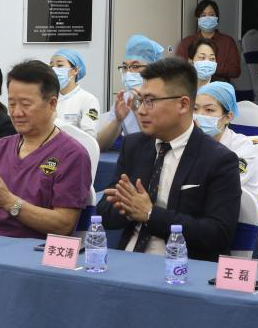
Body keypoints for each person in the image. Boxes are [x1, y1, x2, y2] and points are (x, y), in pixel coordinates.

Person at [96, 57, 240, 261]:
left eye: (150, 101)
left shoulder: (219, 159)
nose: (141, 110)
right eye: (140, 100)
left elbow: (218, 234)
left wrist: (150, 214)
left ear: (183, 104)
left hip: (182, 266)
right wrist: (128, 208)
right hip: (129, 259)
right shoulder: (134, 146)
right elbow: (104, 214)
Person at [0, 61, 91, 238]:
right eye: (12, 104)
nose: (16, 113)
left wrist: (9, 202)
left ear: (52, 104)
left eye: (25, 104)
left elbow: (64, 225)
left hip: (36, 250)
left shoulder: (72, 154)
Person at [194, 81, 258, 202]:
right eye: (195, 109)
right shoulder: (189, 141)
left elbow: (224, 186)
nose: (199, 115)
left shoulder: (241, 146)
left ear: (228, 117)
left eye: (209, 110)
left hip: (236, 210)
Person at [96, 34, 163, 151]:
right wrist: (118, 120)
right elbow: (100, 145)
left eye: (135, 66)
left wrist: (137, 111)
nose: (128, 72)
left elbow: (156, 146)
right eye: (125, 67)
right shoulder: (126, 99)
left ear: (153, 68)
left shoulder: (164, 98)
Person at [174, 0, 241, 82]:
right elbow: (178, 69)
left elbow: (235, 71)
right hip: (194, 87)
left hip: (220, 87)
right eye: (203, 15)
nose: (207, 18)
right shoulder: (187, 42)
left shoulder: (228, 41)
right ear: (198, 19)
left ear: (217, 18)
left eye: (211, 15)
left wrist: (213, 67)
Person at [49, 49, 100, 135]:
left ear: (75, 70)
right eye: (51, 66)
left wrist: (56, 122)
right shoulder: (47, 98)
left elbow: (89, 136)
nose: (54, 70)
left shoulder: (89, 100)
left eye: (60, 65)